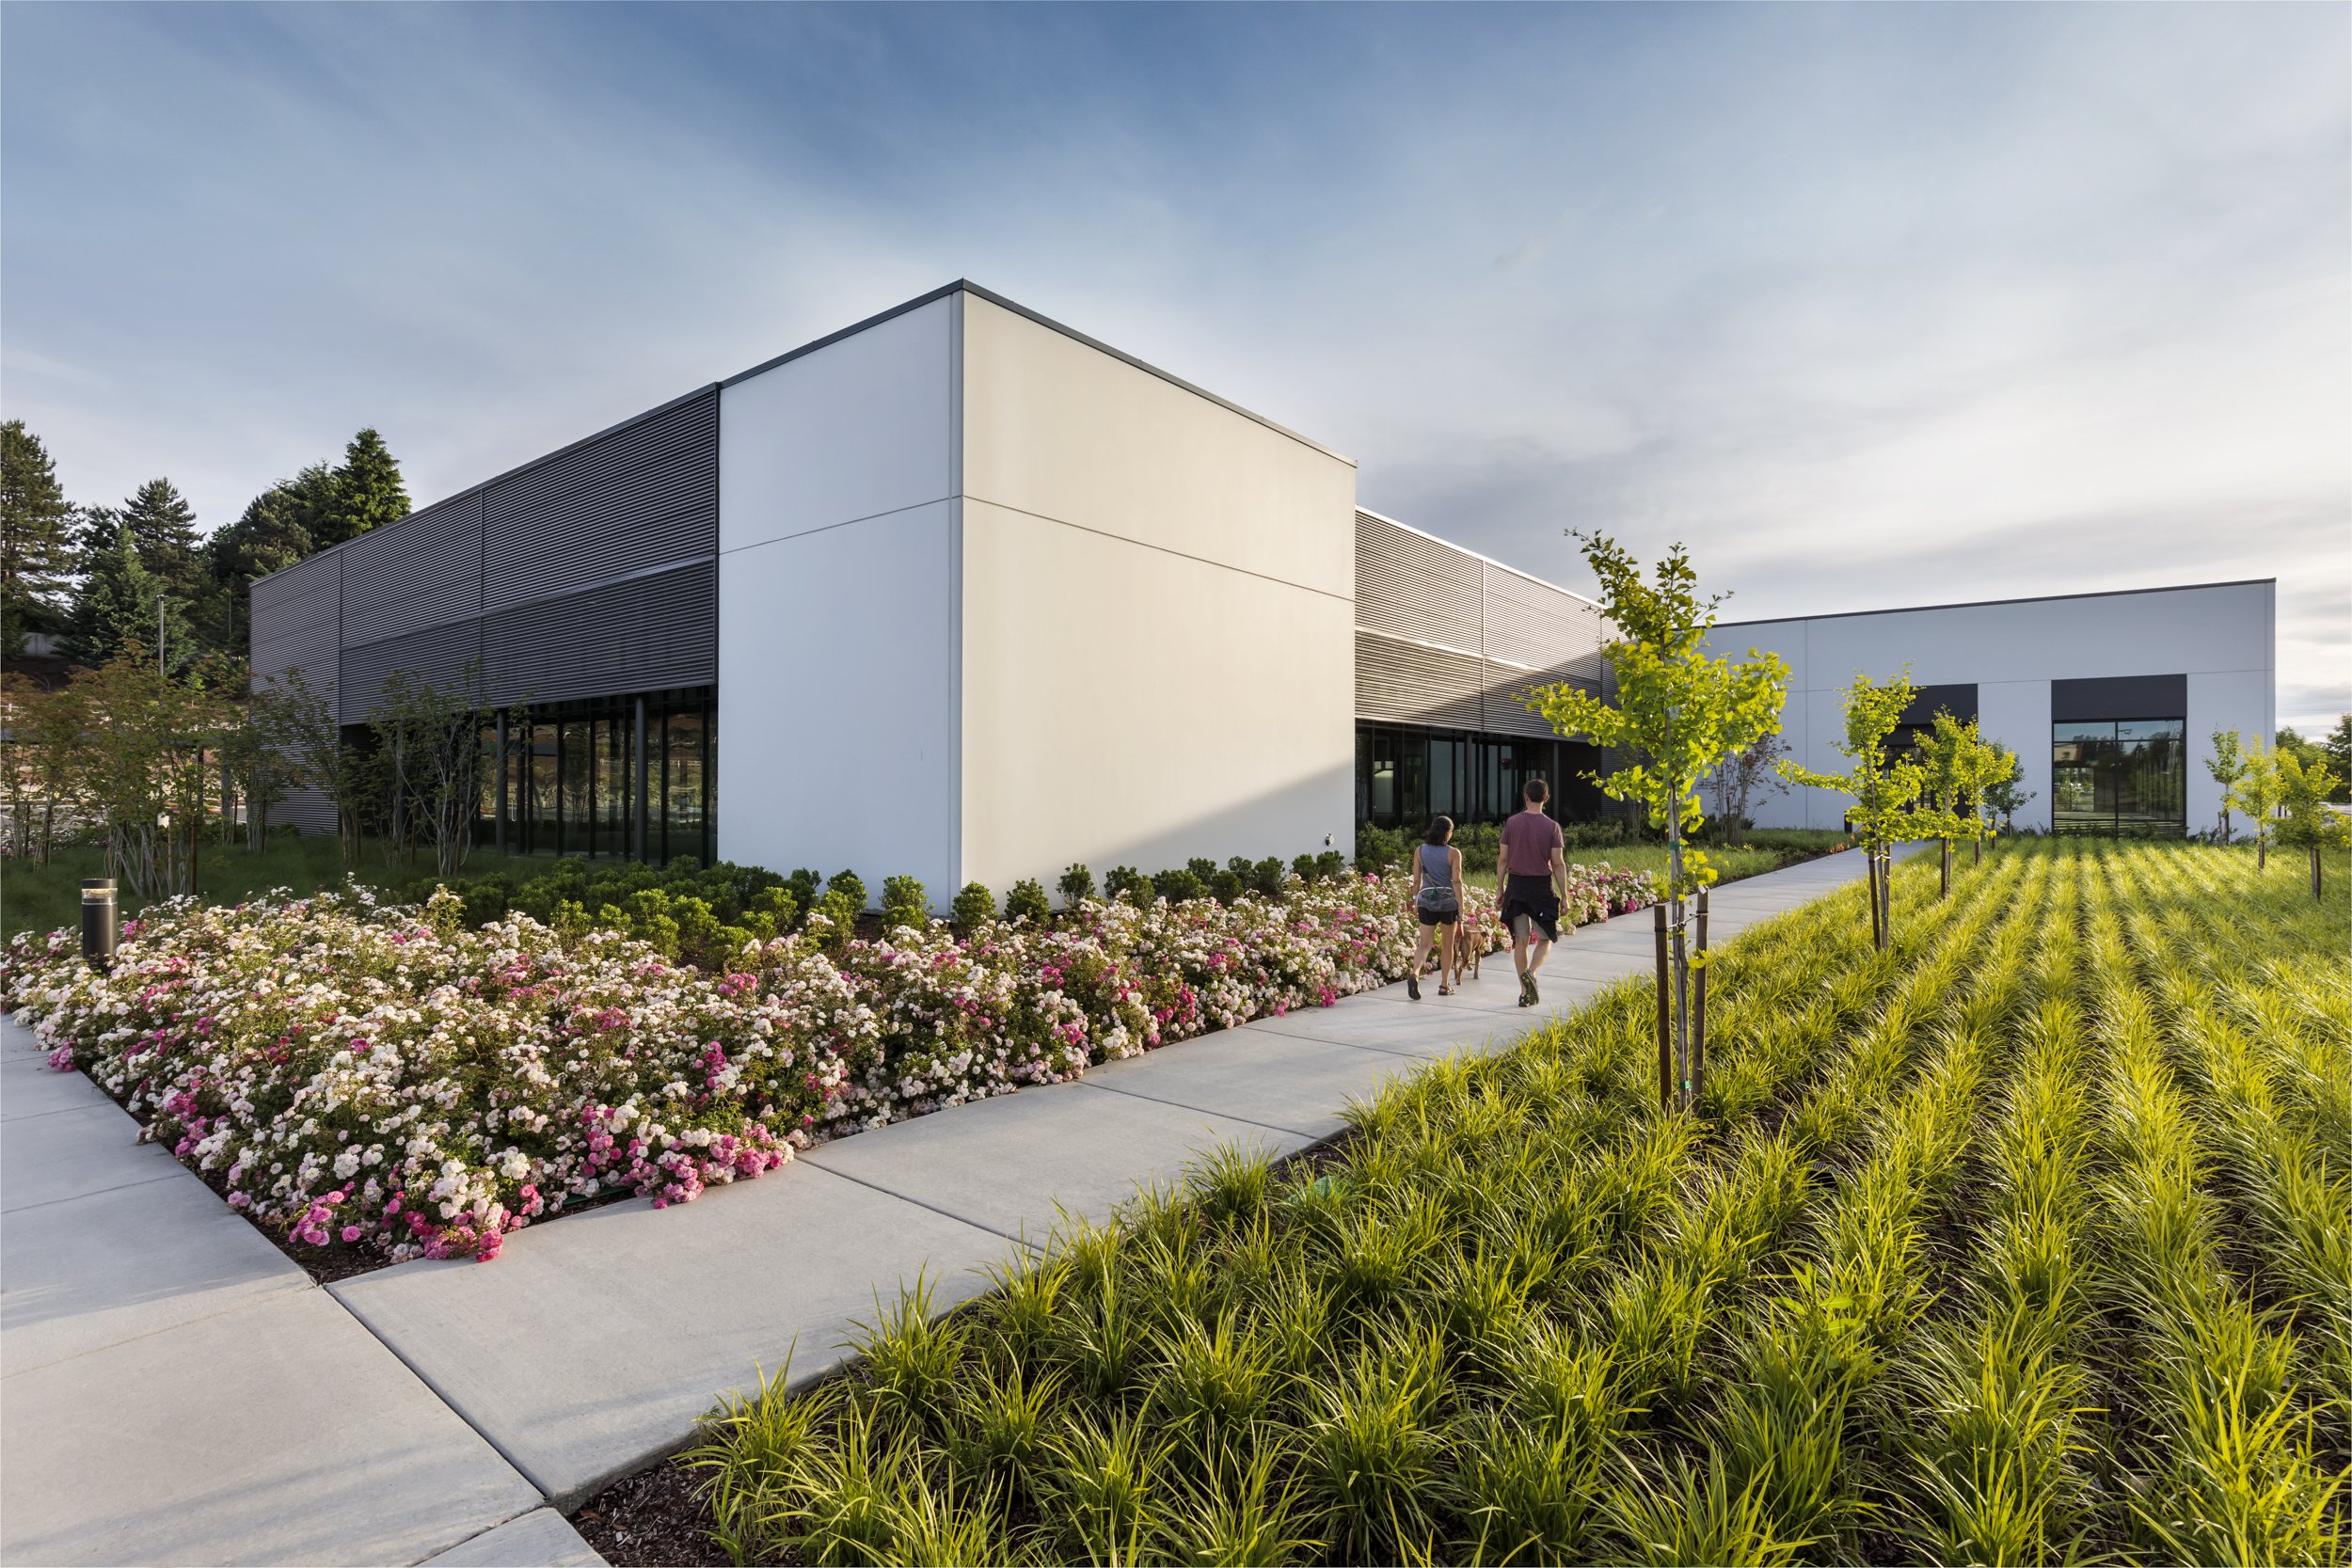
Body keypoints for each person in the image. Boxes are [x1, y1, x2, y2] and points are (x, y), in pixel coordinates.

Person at [1496, 778, 1569, 1006]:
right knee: (1547, 937)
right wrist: (1565, 894)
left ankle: (1524, 992)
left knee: (1521, 940)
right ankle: (1532, 973)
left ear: (1526, 796)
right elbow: (1558, 863)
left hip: (1516, 887)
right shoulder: (1552, 827)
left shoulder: (1512, 823)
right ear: (1546, 798)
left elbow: (1503, 859)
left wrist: (1500, 887)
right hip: (1541, 889)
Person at [1406, 816, 1464, 1000]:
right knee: (1447, 945)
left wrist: (1415, 899)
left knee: (1424, 944)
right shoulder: (1454, 853)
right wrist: (1461, 908)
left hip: (1426, 901)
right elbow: (1457, 881)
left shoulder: (1420, 851)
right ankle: (1444, 985)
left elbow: (1416, 880)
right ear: (1448, 832)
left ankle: (1415, 973)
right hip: (1448, 903)